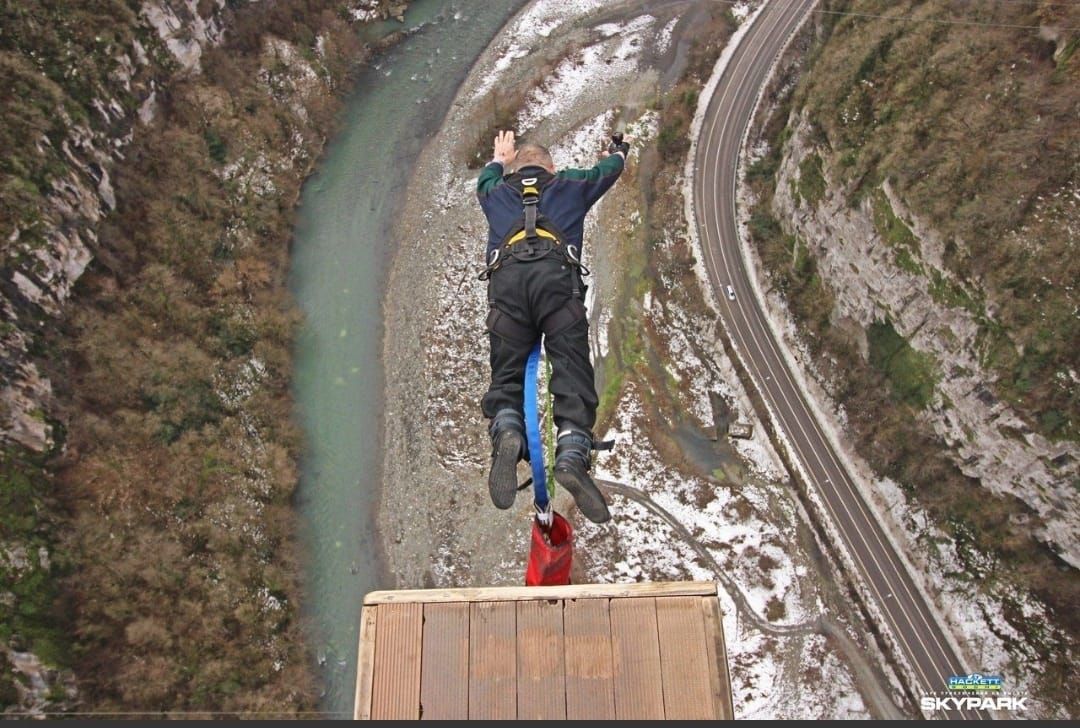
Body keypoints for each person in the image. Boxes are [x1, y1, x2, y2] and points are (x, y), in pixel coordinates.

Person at [476, 129, 630, 524]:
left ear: (515, 167)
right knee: (571, 367)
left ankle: (508, 427)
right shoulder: (570, 185)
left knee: (506, 372)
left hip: (508, 289)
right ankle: (573, 449)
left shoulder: (496, 192)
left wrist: (498, 157)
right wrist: (617, 150)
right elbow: (609, 170)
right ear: (551, 167)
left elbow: (486, 178)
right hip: (556, 286)